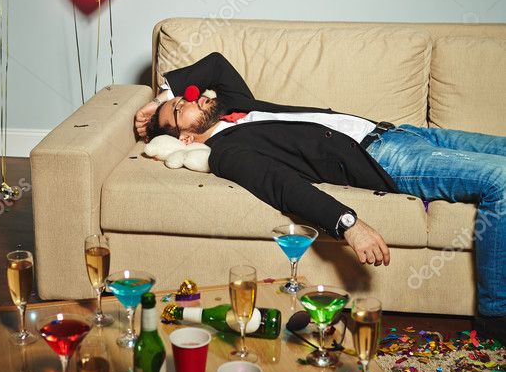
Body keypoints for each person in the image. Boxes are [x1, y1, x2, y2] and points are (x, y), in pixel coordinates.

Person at [134, 52, 506, 344]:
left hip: (404, 133)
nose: (192, 97)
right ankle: (496, 319)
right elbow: (280, 184)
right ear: (185, 139)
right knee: (500, 179)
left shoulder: (235, 105)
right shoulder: (228, 151)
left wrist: (164, 97)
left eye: (186, 96)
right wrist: (349, 224)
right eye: (181, 107)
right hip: (389, 158)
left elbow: (214, 63)